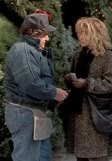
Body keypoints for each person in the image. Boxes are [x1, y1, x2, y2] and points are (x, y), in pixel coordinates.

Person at [4, 13, 68, 161]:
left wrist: (53, 97)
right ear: (34, 33)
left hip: (34, 113)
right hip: (25, 114)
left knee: (42, 157)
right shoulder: (23, 50)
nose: (47, 38)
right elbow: (30, 84)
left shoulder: (32, 51)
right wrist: (53, 92)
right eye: (45, 34)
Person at [63, 17, 112, 161]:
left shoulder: (106, 56)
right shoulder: (77, 54)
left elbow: (110, 82)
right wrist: (70, 80)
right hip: (78, 112)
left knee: (98, 155)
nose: (80, 37)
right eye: (79, 33)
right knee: (80, 155)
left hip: (95, 113)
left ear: (95, 34)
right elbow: (75, 80)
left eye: (84, 33)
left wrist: (87, 83)